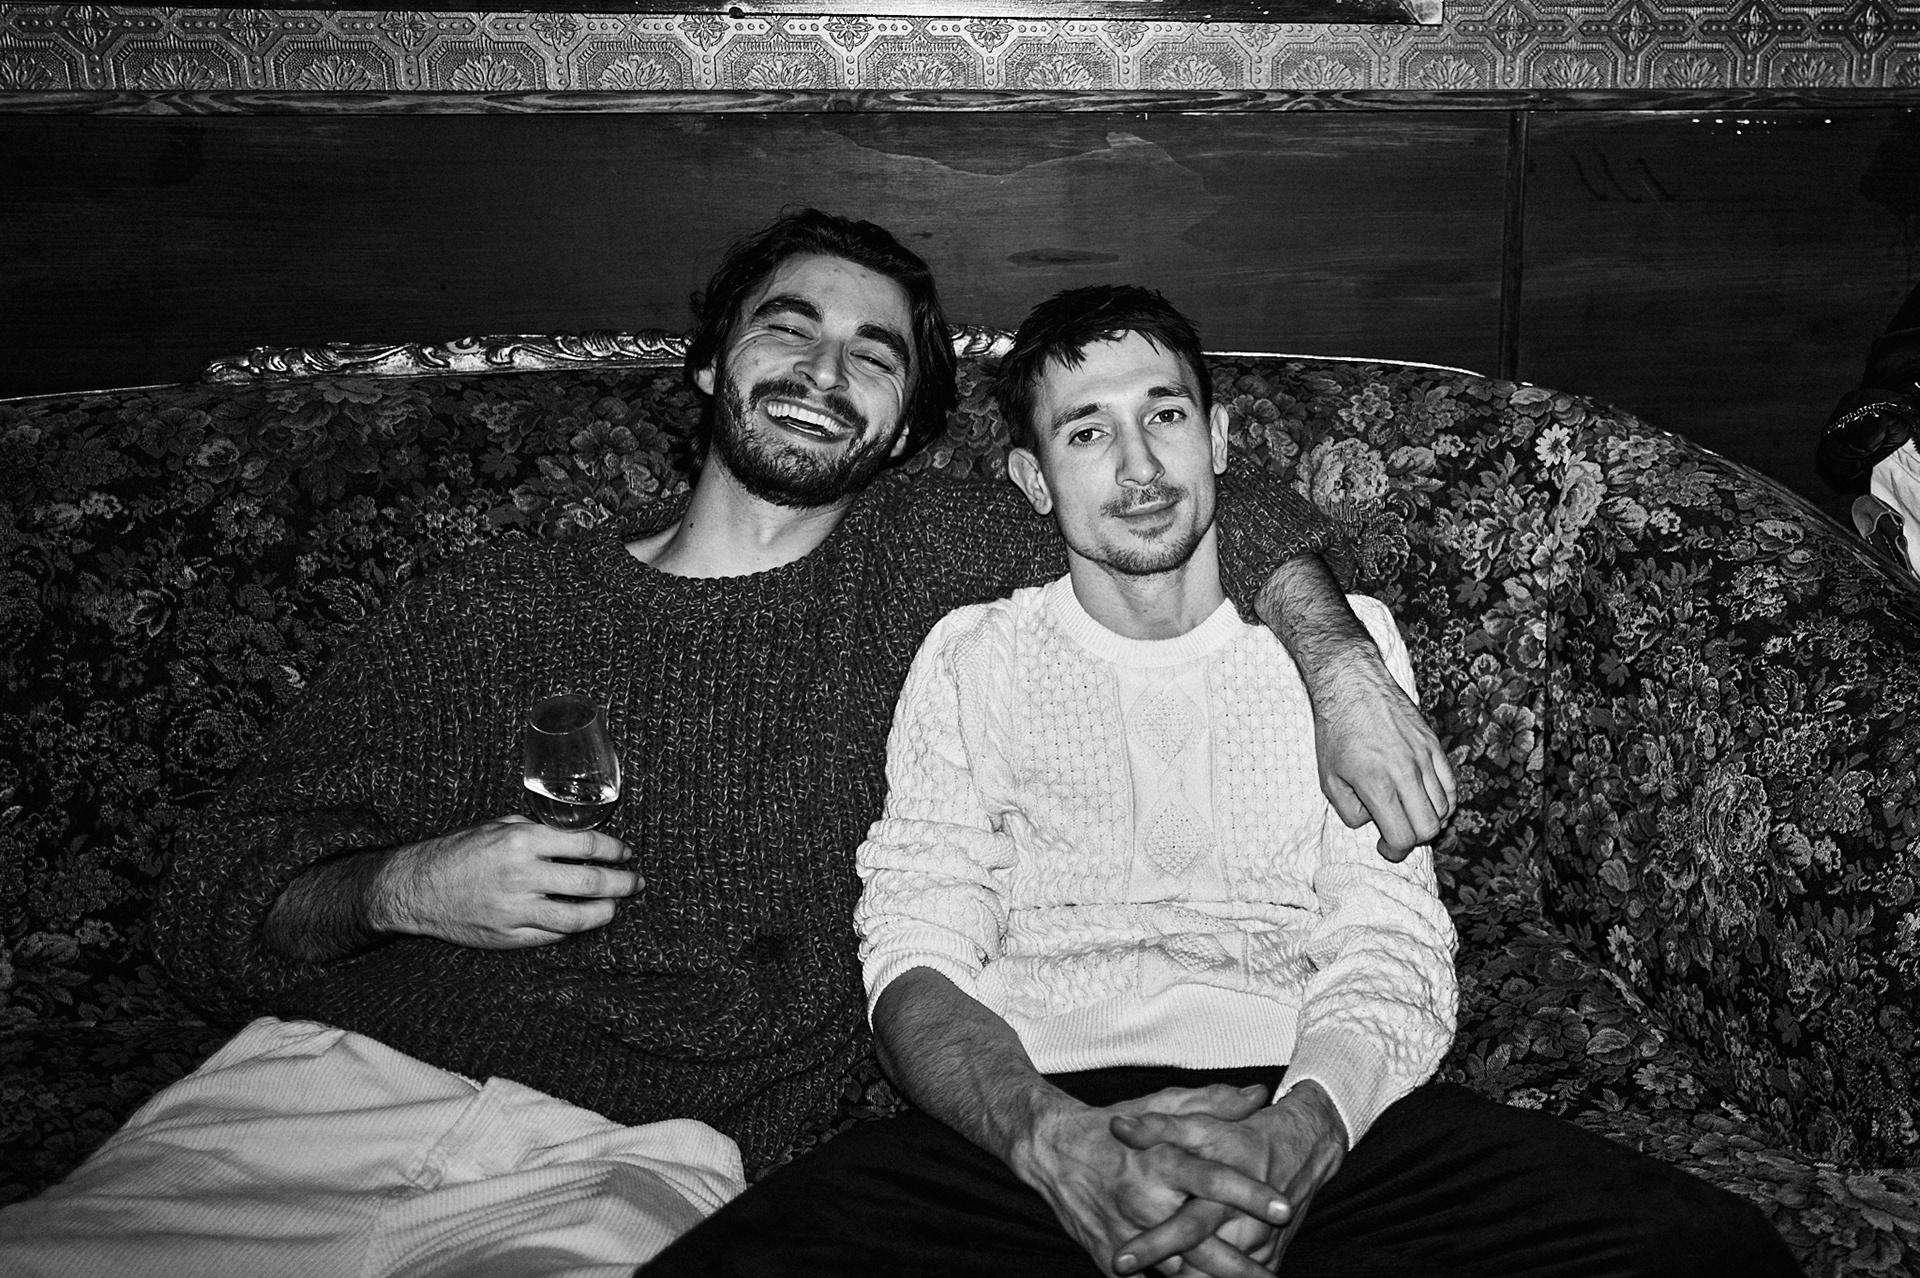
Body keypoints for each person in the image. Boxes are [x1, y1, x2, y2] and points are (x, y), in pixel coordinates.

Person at [0, 213, 1451, 1277]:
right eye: (786, 329)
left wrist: (1334, 660)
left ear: (905, 433)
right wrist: (399, 886)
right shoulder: (490, 607)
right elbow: (203, 905)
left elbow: (1171, 497)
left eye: (874, 357)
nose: (825, 370)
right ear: (705, 366)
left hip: (640, 1163)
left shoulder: (926, 568)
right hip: (320, 1095)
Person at [639, 285, 1802, 1278]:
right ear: (1034, 482)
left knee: (1706, 1252)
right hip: (1033, 1111)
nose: (1139, 466)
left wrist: (1300, 1141)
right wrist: (1050, 1143)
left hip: (1308, 1094)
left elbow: (1387, 935)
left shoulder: (1345, 651)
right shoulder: (971, 654)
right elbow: (914, 942)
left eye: (1165, 416)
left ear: (1221, 441)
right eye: (1087, 433)